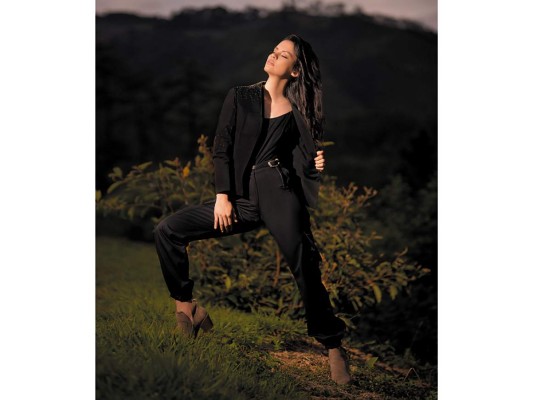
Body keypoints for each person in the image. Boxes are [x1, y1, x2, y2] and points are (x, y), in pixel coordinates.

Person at [153, 34, 351, 384]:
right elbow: (222, 147)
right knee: (168, 230)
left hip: (280, 192)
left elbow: (301, 162)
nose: (274, 55)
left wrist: (314, 164)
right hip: (240, 199)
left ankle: (334, 346)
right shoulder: (241, 96)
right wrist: (223, 196)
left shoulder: (299, 111)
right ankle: (187, 309)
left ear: (295, 71)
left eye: (283, 55)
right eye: (275, 50)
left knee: (305, 264)